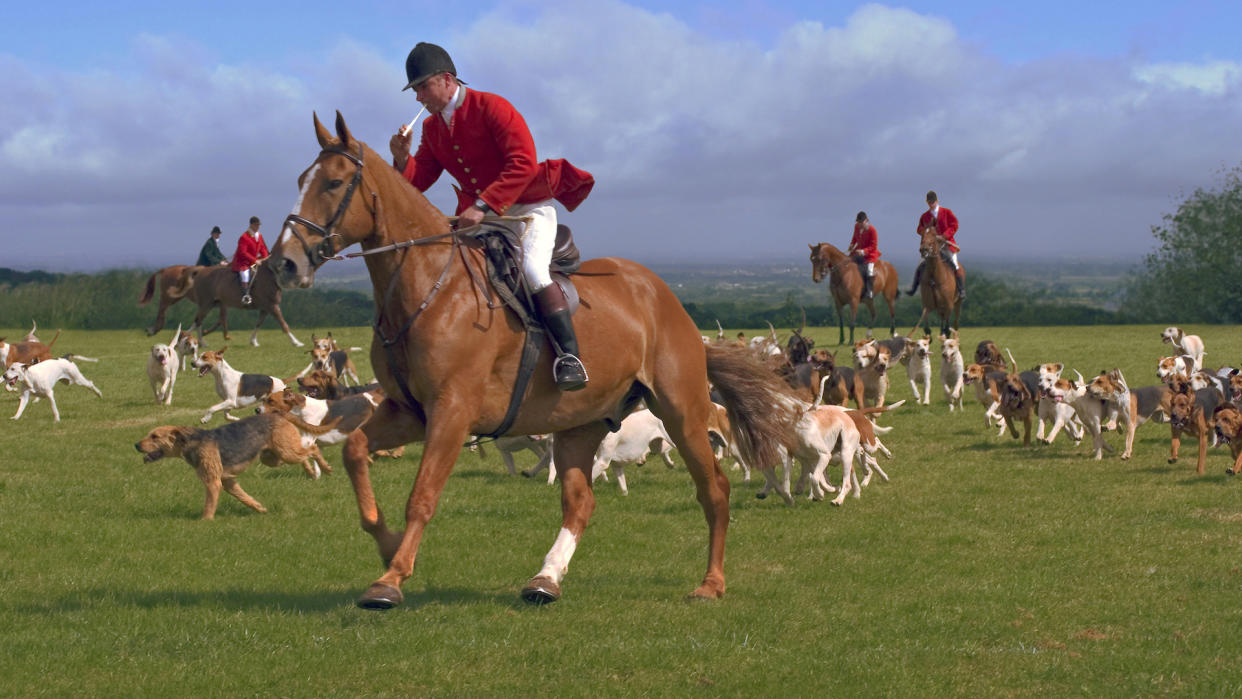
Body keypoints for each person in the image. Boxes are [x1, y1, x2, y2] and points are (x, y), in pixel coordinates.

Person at [388, 42, 595, 391]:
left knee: (532, 270)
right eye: (416, 90)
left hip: (527, 208)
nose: (419, 97)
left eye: (423, 87)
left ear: (447, 79)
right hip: (480, 216)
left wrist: (482, 206)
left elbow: (523, 163)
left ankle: (569, 357)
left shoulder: (493, 107)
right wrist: (401, 158)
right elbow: (419, 179)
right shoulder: (434, 128)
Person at [907, 190, 964, 300]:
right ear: (927, 202)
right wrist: (927, 233)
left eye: (933, 202)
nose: (931, 204)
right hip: (931, 247)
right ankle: (914, 288)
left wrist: (944, 236)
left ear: (937, 201)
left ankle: (961, 290)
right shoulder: (924, 216)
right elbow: (919, 229)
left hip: (946, 244)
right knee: (921, 264)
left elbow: (954, 225)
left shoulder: (947, 212)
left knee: (955, 264)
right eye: (929, 202)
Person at [230, 216, 269, 305]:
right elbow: (242, 252)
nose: (258, 227)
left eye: (259, 225)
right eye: (256, 225)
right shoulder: (244, 237)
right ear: (251, 225)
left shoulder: (259, 235)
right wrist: (255, 260)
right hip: (242, 262)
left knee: (259, 271)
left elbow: (263, 248)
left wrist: (265, 258)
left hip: (252, 262)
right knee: (245, 275)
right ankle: (245, 295)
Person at [847, 211, 881, 299]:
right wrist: (851, 245)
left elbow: (873, 246)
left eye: (861, 222)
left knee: (869, 271)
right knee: (847, 264)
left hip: (870, 255)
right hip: (857, 252)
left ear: (867, 221)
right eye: (858, 222)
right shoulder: (856, 227)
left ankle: (870, 291)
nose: (859, 224)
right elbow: (854, 238)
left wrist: (863, 251)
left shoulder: (872, 230)